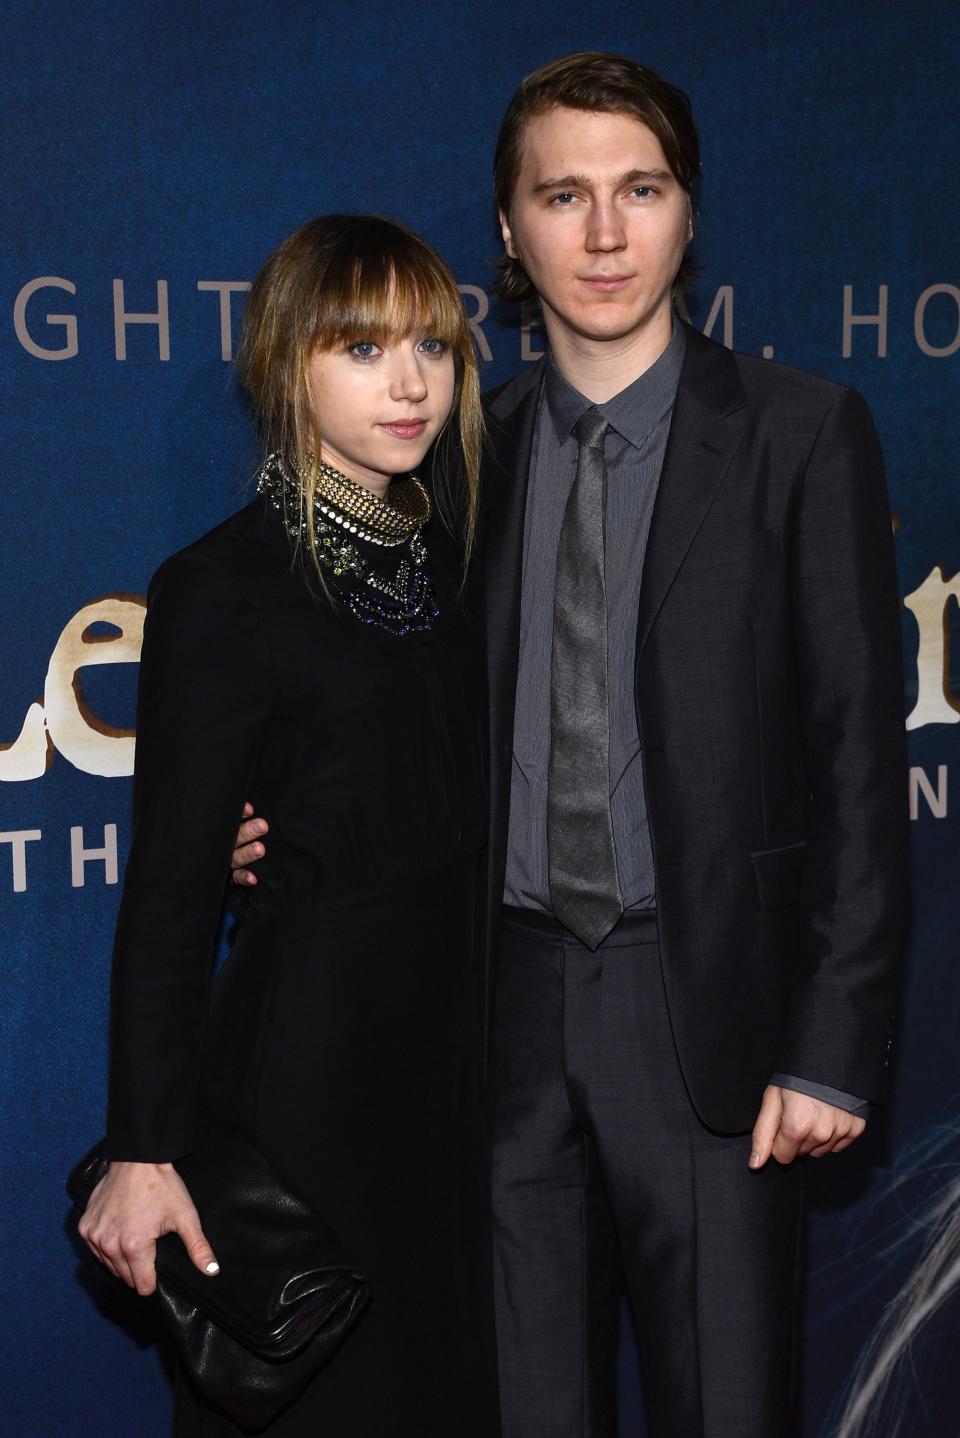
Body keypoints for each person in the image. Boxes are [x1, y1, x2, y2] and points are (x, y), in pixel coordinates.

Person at [233, 52, 910, 1438]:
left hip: (709, 1017)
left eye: (640, 190)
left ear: (688, 214)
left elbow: (857, 757)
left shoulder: (803, 436)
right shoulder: (463, 454)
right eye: (564, 195)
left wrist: (832, 1044)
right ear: (508, 231)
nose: (604, 235)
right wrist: (290, 819)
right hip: (500, 1015)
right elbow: (395, 713)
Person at [77, 214, 500, 1437]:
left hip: (467, 1087)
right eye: (361, 347)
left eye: (430, 343)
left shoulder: (470, 561)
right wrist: (145, 1147)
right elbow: (166, 890)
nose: (410, 380)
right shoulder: (225, 587)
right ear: (285, 365)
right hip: (307, 1087)